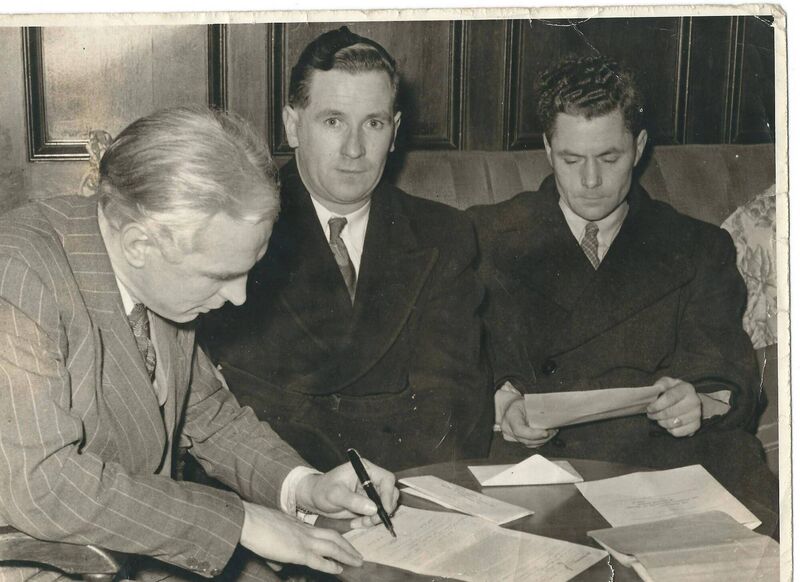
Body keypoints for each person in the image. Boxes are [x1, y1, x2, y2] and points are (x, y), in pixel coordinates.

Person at [0, 106, 398, 581]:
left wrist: (305, 486)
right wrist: (240, 520)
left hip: (134, 546)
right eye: (222, 275)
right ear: (138, 245)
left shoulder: (162, 278)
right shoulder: (17, 276)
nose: (239, 296)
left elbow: (205, 415)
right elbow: (42, 484)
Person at [468, 56, 775, 509]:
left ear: (639, 147)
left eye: (609, 157)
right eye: (571, 159)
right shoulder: (484, 236)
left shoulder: (698, 246)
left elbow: (725, 370)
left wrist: (699, 404)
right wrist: (500, 408)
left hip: (664, 464)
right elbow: (449, 364)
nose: (591, 181)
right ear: (549, 151)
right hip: (534, 467)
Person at [200, 27, 493, 472]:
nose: (355, 149)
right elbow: (247, 409)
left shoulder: (444, 233)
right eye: (333, 121)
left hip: (409, 487)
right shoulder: (237, 228)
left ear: (394, 132)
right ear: (293, 126)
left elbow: (453, 402)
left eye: (373, 123)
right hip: (287, 493)